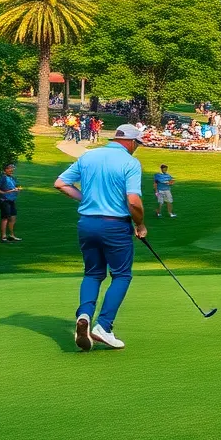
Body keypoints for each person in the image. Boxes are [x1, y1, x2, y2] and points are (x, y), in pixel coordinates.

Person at [53, 124, 147, 352]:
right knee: (122, 275)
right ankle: (103, 326)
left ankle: (84, 314)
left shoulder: (89, 157)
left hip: (87, 223)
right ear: (131, 142)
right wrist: (140, 224)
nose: (137, 149)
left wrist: (87, 200)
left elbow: (61, 183)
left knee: (93, 274)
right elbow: (133, 201)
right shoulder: (130, 162)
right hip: (114, 225)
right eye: (138, 144)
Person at [0, 163, 22, 243]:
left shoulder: (12, 178)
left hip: (11, 200)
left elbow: (13, 187)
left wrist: (17, 190)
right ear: (5, 170)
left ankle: (11, 235)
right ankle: (3, 237)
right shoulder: (3, 178)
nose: (11, 170)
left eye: (12, 168)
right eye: (9, 168)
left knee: (13, 218)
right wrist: (8, 192)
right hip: (4, 201)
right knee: (5, 218)